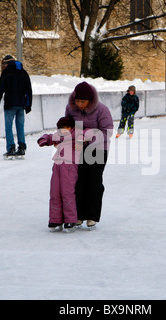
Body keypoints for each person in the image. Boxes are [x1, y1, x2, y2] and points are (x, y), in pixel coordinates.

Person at [65, 81, 113, 229]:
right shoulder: (71, 108)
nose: (79, 104)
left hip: (98, 149)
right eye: (77, 101)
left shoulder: (101, 110)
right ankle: (78, 214)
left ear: (90, 100)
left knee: (94, 181)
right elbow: (68, 126)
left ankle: (92, 215)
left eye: (83, 101)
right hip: (77, 148)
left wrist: (87, 138)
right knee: (78, 181)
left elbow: (107, 131)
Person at [37, 116, 84, 233]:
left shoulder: (76, 135)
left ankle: (70, 219)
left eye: (66, 127)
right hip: (57, 166)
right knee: (55, 192)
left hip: (69, 167)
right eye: (61, 128)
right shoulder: (59, 136)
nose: (63, 130)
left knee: (67, 192)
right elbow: (49, 137)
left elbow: (86, 134)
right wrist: (43, 139)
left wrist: (82, 141)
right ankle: (55, 219)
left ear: (71, 127)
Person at [0, 55, 33, 159]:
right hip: (21, 104)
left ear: (6, 64)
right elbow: (29, 90)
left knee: (8, 127)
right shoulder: (23, 72)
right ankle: (21, 147)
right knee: (20, 127)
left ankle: (11, 148)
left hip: (10, 104)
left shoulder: (6, 73)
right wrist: (28, 105)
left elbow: (0, 90)